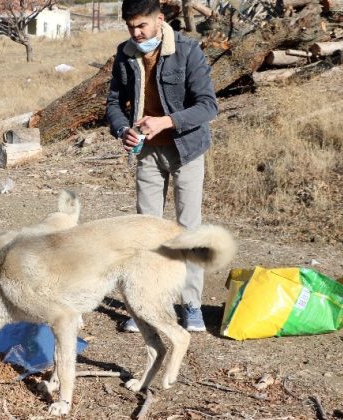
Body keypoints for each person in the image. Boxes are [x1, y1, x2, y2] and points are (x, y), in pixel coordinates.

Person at [106, 0, 218, 332]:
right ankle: (147, 305)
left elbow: (208, 105)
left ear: (159, 19)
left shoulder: (187, 50)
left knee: (187, 228)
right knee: (145, 231)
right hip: (147, 153)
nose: (136, 33)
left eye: (141, 26)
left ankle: (192, 303)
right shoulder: (125, 53)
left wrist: (166, 121)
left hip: (186, 150)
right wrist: (122, 129)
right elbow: (114, 102)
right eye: (130, 27)